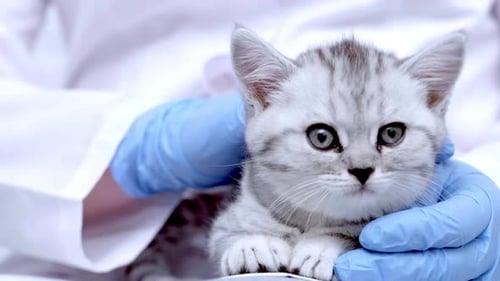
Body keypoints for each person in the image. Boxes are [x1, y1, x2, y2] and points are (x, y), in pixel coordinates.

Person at [0, 1, 498, 280]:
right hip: (99, 212)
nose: (362, 162)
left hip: (449, 191)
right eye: (325, 135)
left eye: (388, 136)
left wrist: (493, 197)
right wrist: (129, 145)